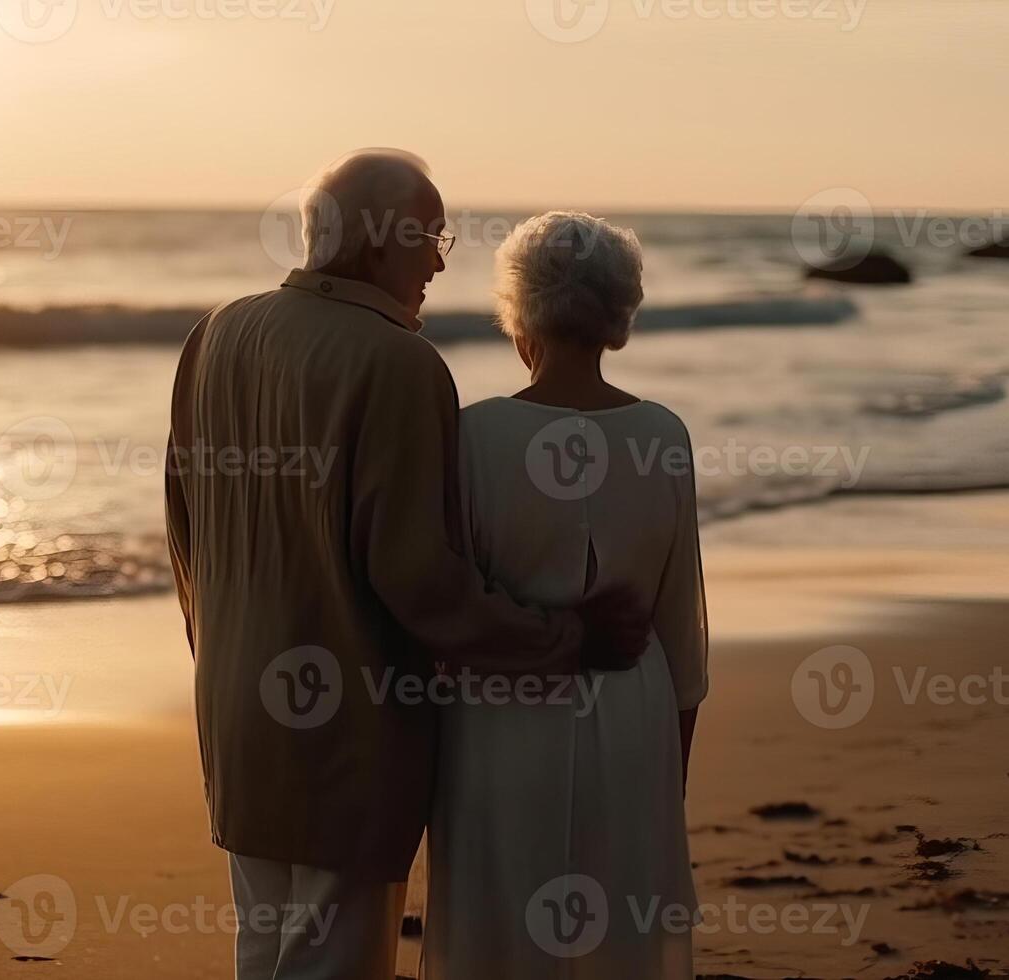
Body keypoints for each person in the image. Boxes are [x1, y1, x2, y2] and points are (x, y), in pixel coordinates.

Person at [163, 150, 650, 980]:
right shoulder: (396, 362)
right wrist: (559, 640)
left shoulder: (216, 333)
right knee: (333, 963)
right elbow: (418, 578)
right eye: (429, 236)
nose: (437, 259)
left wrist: (218, 656)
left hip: (234, 707)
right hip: (345, 726)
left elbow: (184, 531)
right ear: (380, 241)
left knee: (266, 950)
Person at [425, 211, 708, 978]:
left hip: (502, 712)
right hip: (633, 709)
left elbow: (450, 604)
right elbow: (680, 629)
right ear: (619, 317)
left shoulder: (472, 435)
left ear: (520, 315)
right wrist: (667, 775)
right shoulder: (665, 435)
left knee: (497, 928)